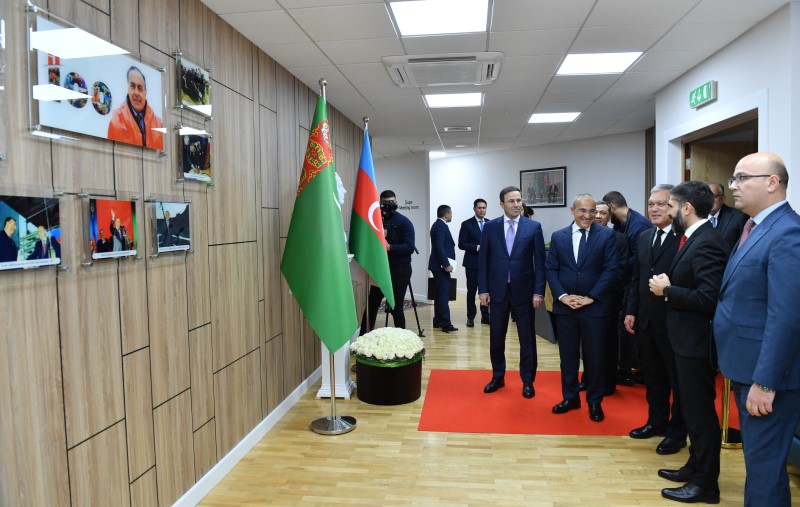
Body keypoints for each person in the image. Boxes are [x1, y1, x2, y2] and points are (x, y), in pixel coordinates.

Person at [714, 152, 800, 507]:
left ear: (772, 182)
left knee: (764, 470)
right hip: (746, 367)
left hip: (766, 378)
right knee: (762, 466)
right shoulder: (755, 227)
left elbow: (787, 316)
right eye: (734, 178)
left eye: (742, 178)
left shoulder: (787, 233)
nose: (733, 186)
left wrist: (766, 382)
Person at [649, 181, 729, 504]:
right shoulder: (694, 237)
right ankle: (695, 467)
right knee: (693, 414)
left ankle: (705, 485)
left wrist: (667, 291)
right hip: (684, 341)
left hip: (696, 343)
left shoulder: (707, 242)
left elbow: (708, 298)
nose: (667, 212)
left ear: (686, 208)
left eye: (670, 206)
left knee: (701, 417)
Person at [624, 184, 688, 456]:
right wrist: (631, 311)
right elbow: (637, 278)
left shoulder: (684, 237)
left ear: (674, 207)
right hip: (646, 320)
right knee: (653, 376)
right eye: (651, 204)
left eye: (661, 204)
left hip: (673, 321)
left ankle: (677, 433)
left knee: (678, 381)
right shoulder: (644, 236)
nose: (655, 209)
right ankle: (656, 421)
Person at [547, 194, 617, 422]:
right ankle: (570, 398)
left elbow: (611, 270)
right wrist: (563, 296)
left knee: (595, 357)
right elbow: (552, 269)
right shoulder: (558, 236)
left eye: (592, 211)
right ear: (572, 211)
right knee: (567, 357)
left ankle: (594, 402)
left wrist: (591, 297)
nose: (588, 215)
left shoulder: (607, 235)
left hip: (595, 309)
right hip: (566, 308)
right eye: (582, 210)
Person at [478, 186, 546, 399]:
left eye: (519, 200)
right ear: (502, 204)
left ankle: (528, 380)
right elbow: (483, 261)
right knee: (496, 337)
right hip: (497, 291)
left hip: (524, 291)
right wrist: (483, 290)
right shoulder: (490, 228)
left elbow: (540, 263)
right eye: (512, 201)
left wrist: (538, 292)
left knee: (527, 338)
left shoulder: (533, 227)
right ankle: (498, 376)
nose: (517, 204)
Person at [603, 190, 652, 384]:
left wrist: (615, 264)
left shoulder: (639, 225)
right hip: (626, 282)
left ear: (612, 207)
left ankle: (630, 369)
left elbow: (638, 259)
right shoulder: (621, 224)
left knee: (628, 328)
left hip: (636, 283)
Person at [360, 190, 416, 333]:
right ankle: (363, 338)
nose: (388, 205)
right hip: (380, 269)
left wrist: (390, 247)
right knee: (372, 305)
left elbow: (410, 247)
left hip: (399, 270)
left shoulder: (404, 222)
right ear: (379, 202)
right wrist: (377, 236)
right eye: (385, 202)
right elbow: (366, 243)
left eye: (391, 202)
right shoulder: (375, 221)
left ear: (396, 202)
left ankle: (402, 340)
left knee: (396, 308)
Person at [591, 199, 629, 396]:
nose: (598, 216)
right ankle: (588, 378)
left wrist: (598, 291)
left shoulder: (620, 239)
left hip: (609, 300)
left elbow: (620, 272)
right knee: (588, 343)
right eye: (595, 212)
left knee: (608, 342)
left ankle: (608, 383)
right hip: (586, 300)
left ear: (609, 216)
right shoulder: (584, 236)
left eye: (603, 213)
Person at [107, 66, 164, 150]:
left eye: (140, 88)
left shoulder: (158, 124)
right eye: (133, 86)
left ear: (145, 93)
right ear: (128, 89)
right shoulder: (115, 121)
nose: (136, 93)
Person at [458, 198, 490, 327]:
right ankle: (470, 317)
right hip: (472, 263)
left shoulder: (490, 223)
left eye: (484, 208)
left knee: (486, 290)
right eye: (479, 208)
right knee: (471, 291)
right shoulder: (466, 224)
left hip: (487, 264)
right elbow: (461, 244)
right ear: (474, 209)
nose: (482, 210)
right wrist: (477, 247)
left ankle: (485, 316)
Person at [428, 205, 457, 333]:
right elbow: (439, 247)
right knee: (444, 295)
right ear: (446, 214)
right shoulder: (440, 226)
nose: (451, 216)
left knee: (440, 294)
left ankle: (438, 321)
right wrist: (446, 264)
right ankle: (446, 323)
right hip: (441, 266)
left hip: (437, 265)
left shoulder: (438, 225)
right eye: (451, 213)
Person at [707, 181, 748, 250]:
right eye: (706, 196)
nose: (709, 200)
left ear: (723, 199)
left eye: (714, 196)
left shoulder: (739, 216)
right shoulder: (697, 216)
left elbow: (743, 245)